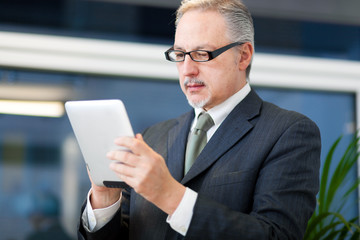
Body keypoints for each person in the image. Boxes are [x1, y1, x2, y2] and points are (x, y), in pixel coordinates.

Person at [78, 0, 321, 239]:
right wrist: (105, 201)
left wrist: (170, 195)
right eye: (180, 54)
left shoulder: (288, 132)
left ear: (243, 56)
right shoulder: (154, 137)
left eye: (201, 54)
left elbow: (276, 235)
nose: (187, 69)